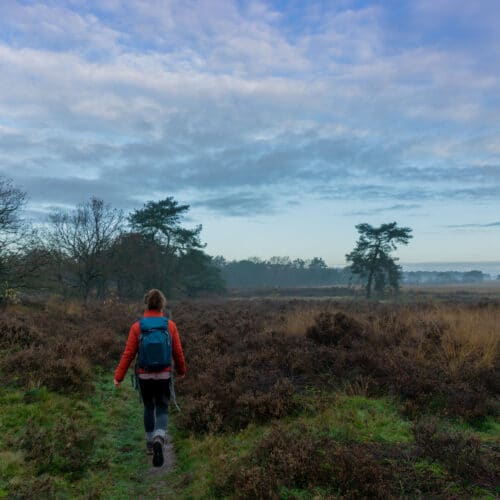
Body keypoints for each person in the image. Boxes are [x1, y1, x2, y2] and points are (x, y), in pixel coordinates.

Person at [114, 289, 186, 467]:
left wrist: (118, 377)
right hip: (164, 373)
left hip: (144, 375)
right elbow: (177, 352)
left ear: (146, 304)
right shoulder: (170, 326)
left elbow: (129, 353)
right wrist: (182, 370)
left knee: (148, 406)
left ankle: (149, 443)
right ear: (162, 304)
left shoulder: (137, 327)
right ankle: (159, 438)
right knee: (162, 407)